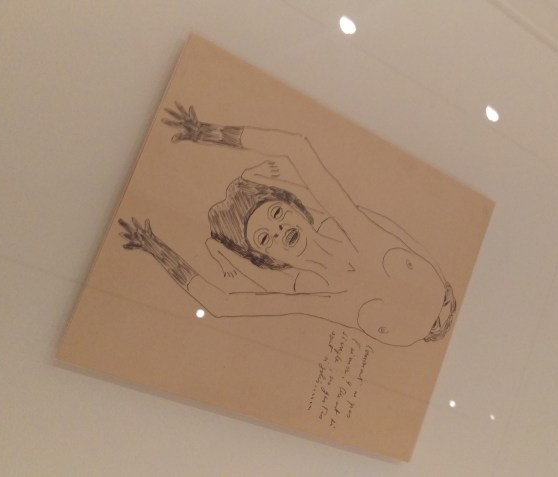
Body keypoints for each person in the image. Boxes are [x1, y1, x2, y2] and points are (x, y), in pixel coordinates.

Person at [119, 104, 456, 346]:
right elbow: (222, 305)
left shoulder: (352, 227)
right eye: (265, 238)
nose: (279, 231)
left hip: (444, 296)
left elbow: (295, 147)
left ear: (297, 207)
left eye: (278, 214)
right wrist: (153, 247)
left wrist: (208, 133)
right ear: (267, 258)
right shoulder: (310, 293)